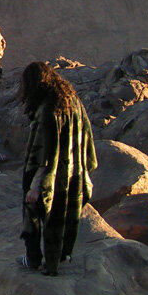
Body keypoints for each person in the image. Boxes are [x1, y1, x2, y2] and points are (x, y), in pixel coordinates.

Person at [18, 61, 97, 276]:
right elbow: (87, 135)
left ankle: (35, 260)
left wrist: (36, 186)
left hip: (51, 176)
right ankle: (62, 256)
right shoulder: (72, 100)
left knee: (34, 215)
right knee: (65, 218)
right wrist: (86, 169)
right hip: (74, 173)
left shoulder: (48, 110)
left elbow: (46, 154)